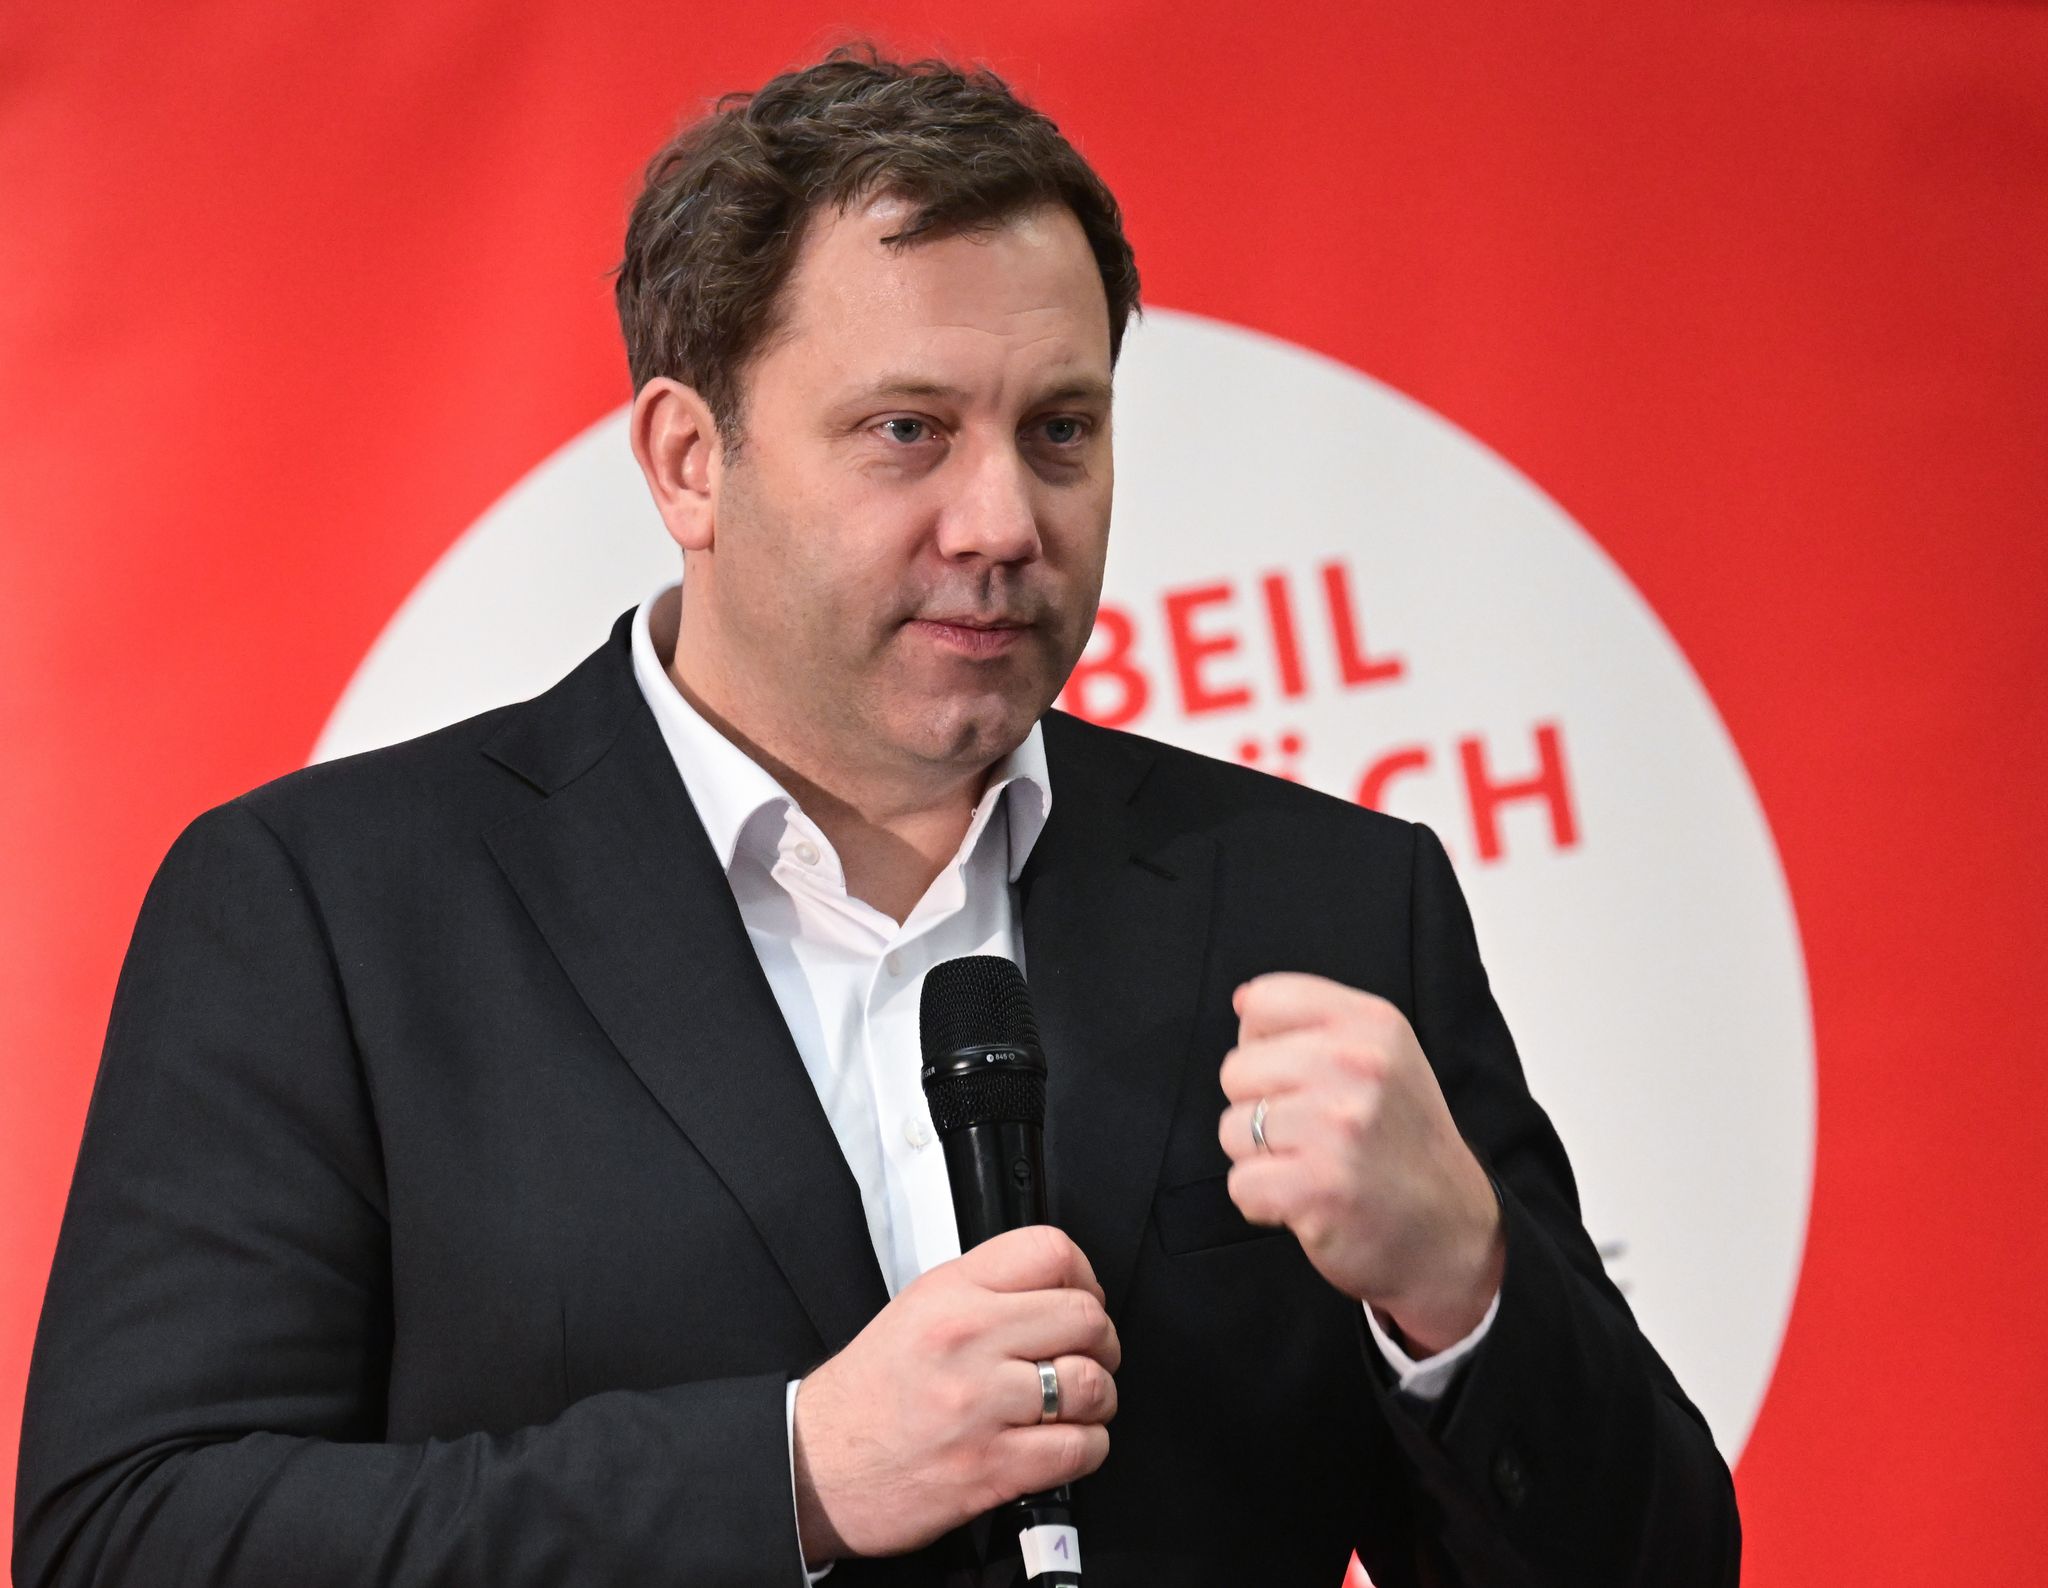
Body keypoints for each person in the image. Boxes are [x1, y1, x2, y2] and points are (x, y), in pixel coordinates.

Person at [13, 47, 1739, 1588]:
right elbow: (130, 1537)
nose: (1002, 520)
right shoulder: (326, 909)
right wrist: (789, 1478)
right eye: (908, 430)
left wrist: (1464, 1291)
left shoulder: (1330, 903)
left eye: (1060, 431)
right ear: (689, 460)